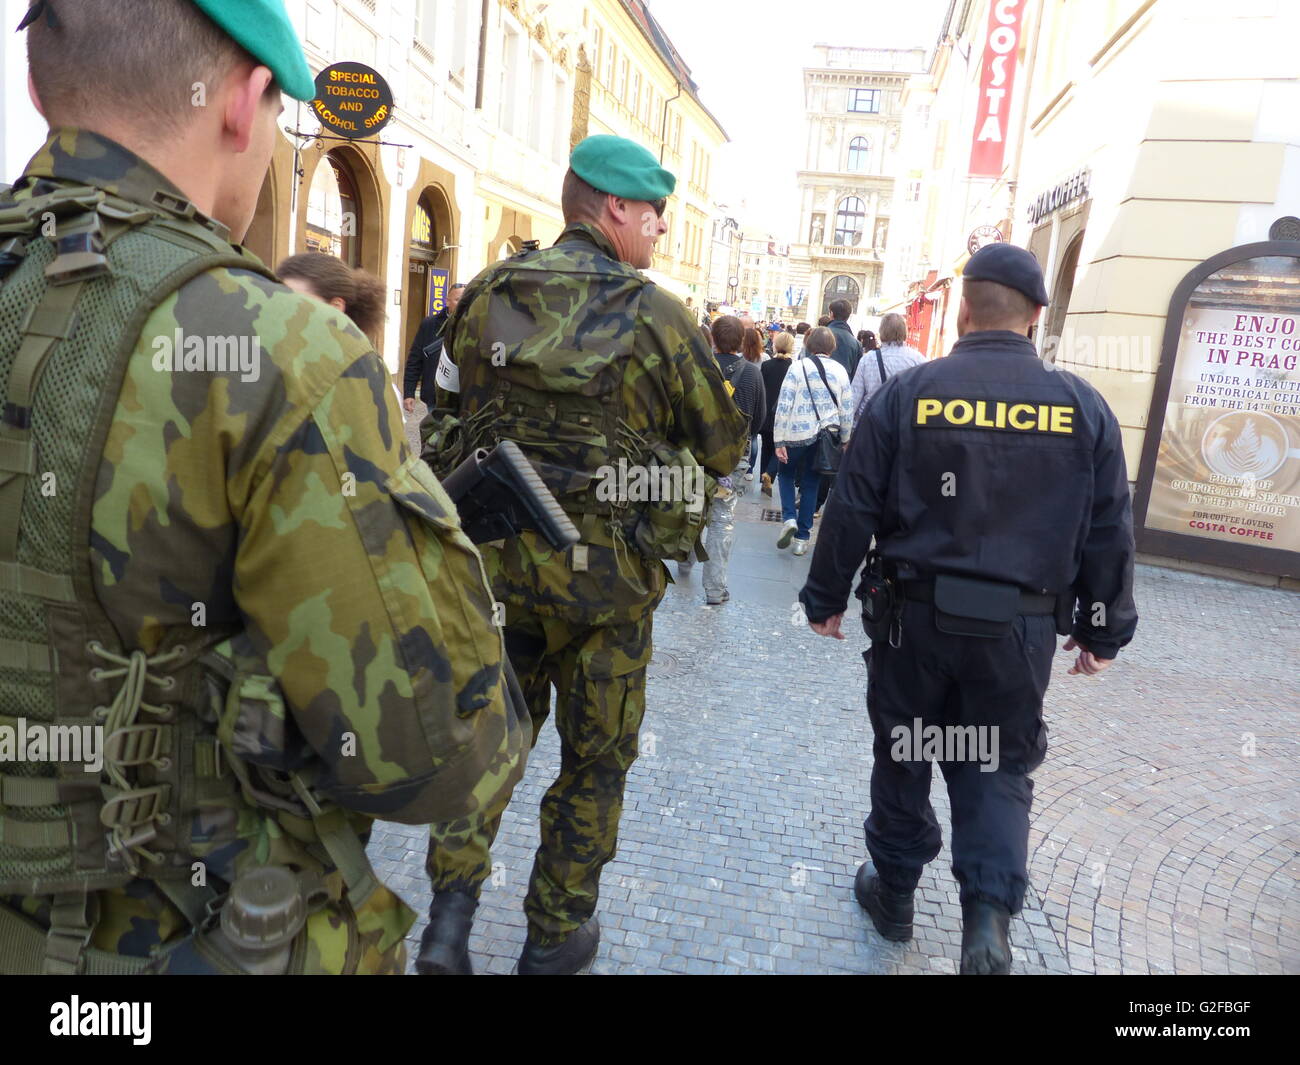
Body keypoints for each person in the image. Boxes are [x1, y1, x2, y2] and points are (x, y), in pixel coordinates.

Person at [0, 0, 525, 975]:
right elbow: (427, 757)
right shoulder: (279, 351)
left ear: (38, 87)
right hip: (162, 937)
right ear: (244, 107)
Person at [419, 133, 746, 974]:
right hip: (609, 594)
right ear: (613, 208)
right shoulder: (657, 315)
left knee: (485, 745)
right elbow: (722, 441)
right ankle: (554, 935)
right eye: (655, 213)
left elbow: (443, 408)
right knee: (594, 763)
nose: (662, 229)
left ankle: (448, 927)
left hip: (496, 577)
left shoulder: (487, 290)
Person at [799, 243, 1138, 975]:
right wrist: (1103, 628)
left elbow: (852, 503)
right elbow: (1110, 524)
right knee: (995, 763)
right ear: (1038, 315)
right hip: (1018, 630)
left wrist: (824, 596)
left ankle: (893, 894)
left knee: (909, 750)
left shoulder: (909, 394)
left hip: (912, 619)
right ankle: (985, 926)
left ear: (961, 309)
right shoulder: (1082, 407)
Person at [680, 316, 763, 605]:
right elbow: (760, 418)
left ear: (712, 339)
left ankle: (685, 559)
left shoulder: (698, 368)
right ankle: (715, 589)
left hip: (696, 453)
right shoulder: (752, 374)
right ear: (741, 340)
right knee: (722, 518)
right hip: (732, 459)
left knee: (693, 506)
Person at [277, 251, 401, 405]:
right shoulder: (274, 360)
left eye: (298, 305)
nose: (285, 314)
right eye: (278, 302)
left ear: (335, 307)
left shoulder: (365, 379)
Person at [772, 326, 852, 556]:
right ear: (832, 347)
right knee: (811, 483)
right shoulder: (840, 371)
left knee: (786, 475)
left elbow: (784, 404)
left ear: (808, 345)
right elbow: (846, 408)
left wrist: (779, 441)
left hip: (796, 433)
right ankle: (802, 539)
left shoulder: (797, 368)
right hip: (826, 437)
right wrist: (846, 438)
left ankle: (789, 518)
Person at [850, 312, 926, 429]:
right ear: (904, 331)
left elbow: (855, 396)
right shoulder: (918, 359)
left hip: (871, 424)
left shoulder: (868, 359)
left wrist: (848, 432)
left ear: (882, 331)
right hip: (902, 424)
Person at [403, 282, 465, 414]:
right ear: (447, 302)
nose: (461, 304)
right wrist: (409, 392)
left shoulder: (475, 327)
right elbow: (415, 359)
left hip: (463, 398)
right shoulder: (430, 324)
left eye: (465, 300)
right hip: (436, 397)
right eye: (457, 299)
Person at [759, 331, 795, 496]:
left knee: (766, 446)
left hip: (766, 413)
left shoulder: (766, 366)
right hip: (783, 414)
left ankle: (763, 480)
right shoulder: (793, 367)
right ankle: (770, 474)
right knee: (780, 447)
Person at [741, 325, 765, 478]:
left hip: (742, 397)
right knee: (754, 436)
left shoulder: (739, 357)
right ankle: (750, 469)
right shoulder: (764, 358)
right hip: (758, 397)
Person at [826, 298, 864, 381]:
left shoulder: (818, 335)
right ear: (849, 316)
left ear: (831, 314)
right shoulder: (856, 343)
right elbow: (856, 374)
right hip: (843, 389)